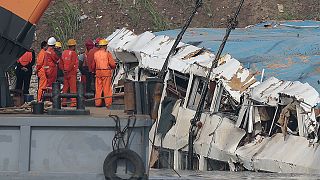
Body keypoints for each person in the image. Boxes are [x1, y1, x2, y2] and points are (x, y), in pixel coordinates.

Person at [91, 39, 116, 108]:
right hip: (106, 73)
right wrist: (113, 67)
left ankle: (98, 103)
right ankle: (108, 104)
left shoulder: (95, 54)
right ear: (105, 46)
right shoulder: (107, 54)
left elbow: (93, 65)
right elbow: (112, 64)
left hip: (98, 72)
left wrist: (93, 70)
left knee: (98, 89)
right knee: (107, 89)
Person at [60, 39, 78, 107]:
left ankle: (63, 102)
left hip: (65, 73)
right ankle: (73, 103)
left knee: (65, 88)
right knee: (73, 89)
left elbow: (61, 63)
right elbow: (73, 63)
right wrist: (69, 70)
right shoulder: (73, 53)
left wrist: (64, 70)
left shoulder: (64, 52)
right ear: (73, 46)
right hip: (71, 73)